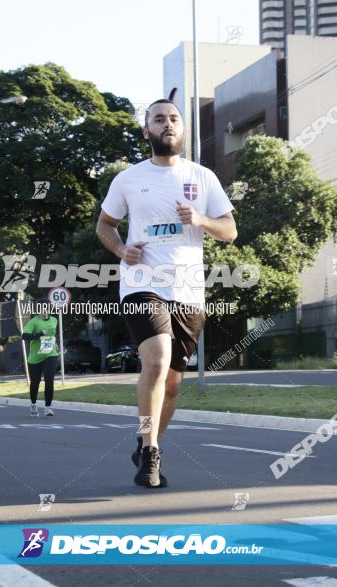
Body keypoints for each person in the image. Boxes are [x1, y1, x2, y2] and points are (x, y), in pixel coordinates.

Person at [96, 98, 237, 488]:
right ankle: (152, 452)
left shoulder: (203, 177)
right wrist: (122, 249)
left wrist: (203, 220)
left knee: (173, 383)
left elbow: (230, 230)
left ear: (182, 128)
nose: (167, 123)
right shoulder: (127, 179)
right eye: (159, 119)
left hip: (189, 290)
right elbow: (105, 226)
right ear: (147, 131)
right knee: (156, 362)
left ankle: (148, 442)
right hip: (142, 284)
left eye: (174, 118)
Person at [21, 299, 59, 417]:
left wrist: (54, 344)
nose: (44, 311)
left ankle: (47, 408)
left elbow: (52, 335)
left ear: (49, 308)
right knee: (35, 383)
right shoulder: (33, 322)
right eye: (41, 309)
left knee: (49, 379)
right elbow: (24, 336)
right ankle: (33, 405)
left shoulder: (54, 320)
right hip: (35, 357)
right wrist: (39, 335)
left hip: (50, 354)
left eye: (46, 308)